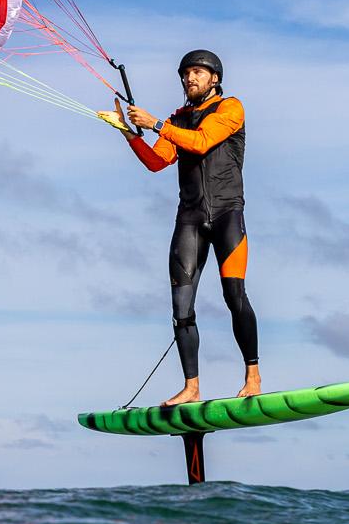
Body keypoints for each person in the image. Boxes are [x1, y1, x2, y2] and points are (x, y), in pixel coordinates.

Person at [100, 49, 262, 406]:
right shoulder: (179, 118)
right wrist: (129, 133)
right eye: (186, 73)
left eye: (197, 73)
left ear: (214, 79)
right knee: (181, 306)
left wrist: (156, 123)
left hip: (226, 215)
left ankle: (252, 376)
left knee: (234, 296)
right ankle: (191, 387)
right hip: (189, 218)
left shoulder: (230, 108)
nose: (190, 78)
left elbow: (202, 142)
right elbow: (158, 162)